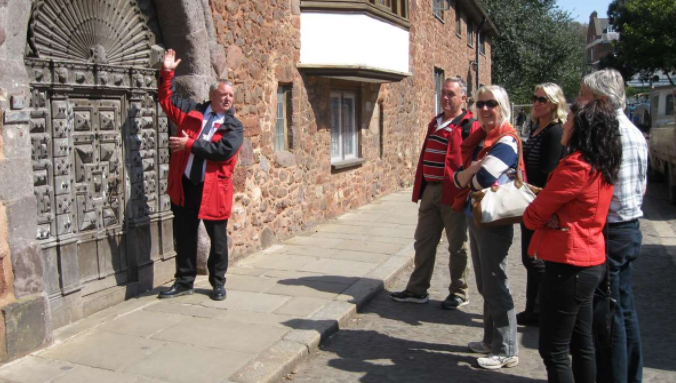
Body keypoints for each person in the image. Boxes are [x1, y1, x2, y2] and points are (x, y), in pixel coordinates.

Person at [524, 99, 622, 383]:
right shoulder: (601, 162)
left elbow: (532, 216)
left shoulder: (576, 167)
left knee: (553, 350)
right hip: (589, 261)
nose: (564, 124)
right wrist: (549, 212)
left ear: (582, 128)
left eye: (569, 120)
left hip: (569, 265)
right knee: (582, 345)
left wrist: (547, 212)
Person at [578, 69, 648, 383]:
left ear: (602, 100)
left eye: (585, 96)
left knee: (610, 316)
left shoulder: (610, 131)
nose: (580, 103)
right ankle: (631, 376)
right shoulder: (632, 130)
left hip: (612, 229)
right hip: (628, 226)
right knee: (624, 311)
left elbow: (596, 187)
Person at [157, 49, 243, 301]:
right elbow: (166, 100)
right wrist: (167, 72)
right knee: (184, 236)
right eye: (223, 94)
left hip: (213, 189)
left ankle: (218, 283)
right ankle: (184, 281)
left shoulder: (233, 126)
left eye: (231, 95)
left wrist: (190, 145)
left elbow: (223, 152)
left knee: (217, 240)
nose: (228, 99)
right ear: (212, 95)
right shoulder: (192, 112)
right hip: (185, 186)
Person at [391, 77, 480, 310]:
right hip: (430, 190)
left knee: (457, 245)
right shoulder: (435, 122)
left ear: (463, 98)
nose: (446, 98)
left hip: (453, 192)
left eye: (451, 94)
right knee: (423, 242)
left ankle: (459, 291)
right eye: (443, 93)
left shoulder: (470, 125)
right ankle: (417, 289)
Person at [452, 85, 520, 369]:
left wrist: (469, 173)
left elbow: (479, 180)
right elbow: (458, 178)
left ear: (502, 105)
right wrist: (470, 172)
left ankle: (506, 349)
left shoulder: (506, 140)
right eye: (480, 104)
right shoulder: (481, 137)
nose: (485, 109)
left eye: (491, 103)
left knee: (495, 282)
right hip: (476, 213)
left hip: (493, 219)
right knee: (484, 283)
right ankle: (491, 340)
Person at [517, 83, 567, 326]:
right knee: (530, 256)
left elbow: (549, 172)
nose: (536, 103)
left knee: (534, 259)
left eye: (542, 100)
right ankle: (533, 310)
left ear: (554, 104)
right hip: (529, 199)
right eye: (534, 98)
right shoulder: (537, 128)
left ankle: (555, 307)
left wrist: (547, 209)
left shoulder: (555, 132)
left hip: (540, 201)